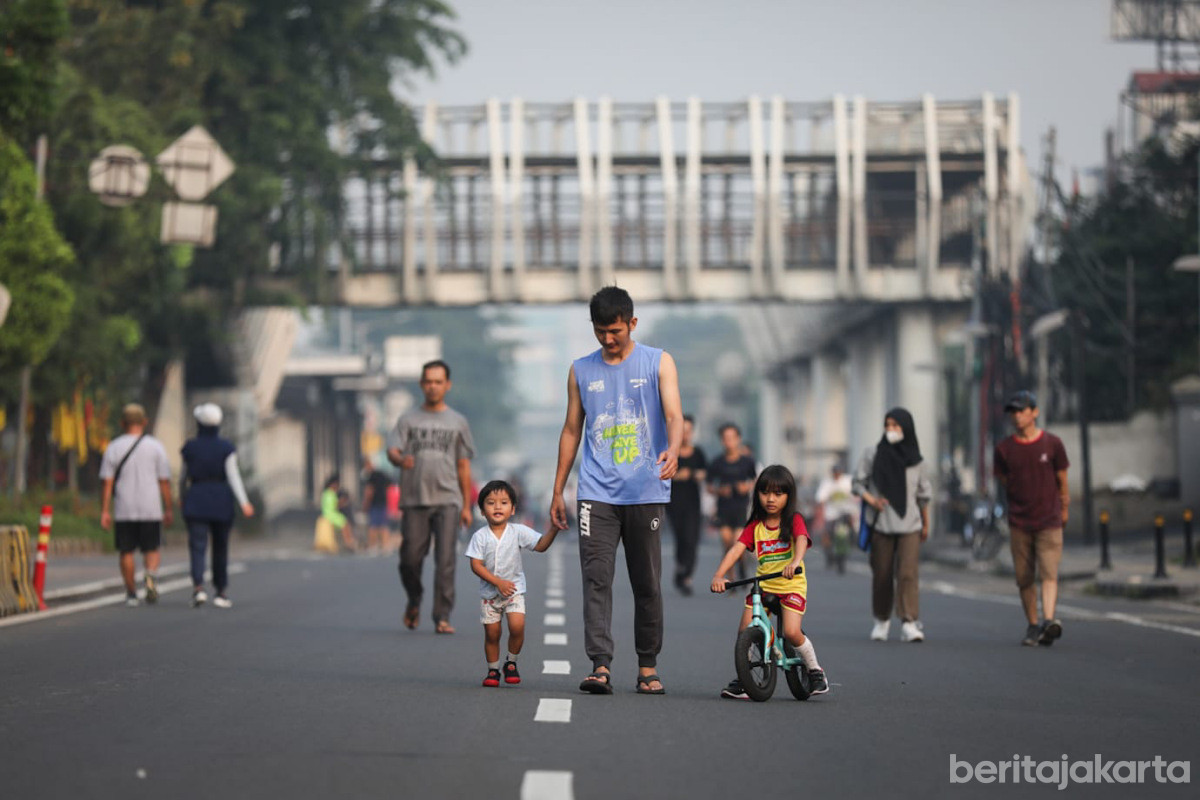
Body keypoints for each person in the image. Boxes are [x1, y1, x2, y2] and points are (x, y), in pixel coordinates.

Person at [549, 286, 683, 696]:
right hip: (596, 492)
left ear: (632, 324)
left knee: (647, 582)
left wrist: (674, 449)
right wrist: (559, 490)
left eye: (615, 331)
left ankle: (647, 665)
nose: (608, 339)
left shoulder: (658, 362)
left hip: (646, 490)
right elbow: (572, 429)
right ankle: (600, 665)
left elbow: (674, 414)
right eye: (600, 331)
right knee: (596, 579)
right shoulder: (580, 370)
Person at [710, 465, 829, 699]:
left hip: (790, 584)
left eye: (778, 494)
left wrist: (795, 562)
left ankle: (815, 671)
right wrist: (719, 575)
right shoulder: (755, 526)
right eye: (765, 493)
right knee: (744, 630)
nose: (771, 499)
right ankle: (745, 679)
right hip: (763, 585)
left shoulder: (794, 520)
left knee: (792, 632)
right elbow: (736, 550)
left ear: (788, 496)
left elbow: (802, 540)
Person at [388, 359, 476, 634]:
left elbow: (463, 464)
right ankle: (414, 598)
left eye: (438, 382)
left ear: (447, 385)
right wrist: (400, 460)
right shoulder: (408, 420)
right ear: (421, 384)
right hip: (415, 500)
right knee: (410, 559)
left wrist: (466, 504)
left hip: (448, 499)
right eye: (428, 381)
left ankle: (442, 615)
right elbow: (393, 450)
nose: (433, 387)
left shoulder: (458, 422)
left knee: (446, 560)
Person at [465, 480, 565, 687]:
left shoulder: (518, 531)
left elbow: (540, 546)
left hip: (514, 591)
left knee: (517, 626)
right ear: (482, 510)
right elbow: (476, 565)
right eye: (491, 503)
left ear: (512, 509)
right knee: (492, 634)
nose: (497, 507)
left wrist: (553, 530)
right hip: (489, 595)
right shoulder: (479, 536)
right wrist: (497, 582)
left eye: (503, 502)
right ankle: (493, 670)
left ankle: (511, 662)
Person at [994, 390, 1070, 647]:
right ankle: (1033, 625)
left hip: (1049, 519)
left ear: (1034, 412)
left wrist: (1064, 508)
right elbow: (1004, 481)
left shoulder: (1052, 444)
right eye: (1013, 412)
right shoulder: (1004, 449)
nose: (1017, 416)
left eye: (1021, 410)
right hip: (1019, 522)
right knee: (1024, 577)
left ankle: (1049, 620)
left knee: (1049, 573)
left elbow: (1062, 480)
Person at [853, 407, 932, 643]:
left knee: (908, 574)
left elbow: (923, 496)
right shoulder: (873, 454)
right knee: (882, 574)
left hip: (910, 525)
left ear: (906, 429)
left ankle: (909, 622)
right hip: (881, 524)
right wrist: (872, 501)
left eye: (896, 426)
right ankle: (881, 619)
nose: (891, 430)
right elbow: (858, 483)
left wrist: (926, 524)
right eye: (887, 425)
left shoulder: (917, 461)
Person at [180, 403, 255, 608]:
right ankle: (221, 591)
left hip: (196, 497)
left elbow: (183, 477)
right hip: (221, 500)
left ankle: (198, 588)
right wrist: (244, 502)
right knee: (220, 547)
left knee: (197, 546)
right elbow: (233, 476)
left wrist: (181, 497)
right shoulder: (226, 448)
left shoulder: (190, 447)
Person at [99, 403, 173, 607]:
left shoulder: (113, 447)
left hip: (124, 508)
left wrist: (105, 511)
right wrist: (168, 508)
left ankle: (131, 593)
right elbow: (164, 480)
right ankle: (150, 574)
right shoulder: (156, 446)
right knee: (152, 547)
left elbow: (107, 482)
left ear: (122, 423)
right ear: (144, 422)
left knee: (126, 551)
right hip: (151, 507)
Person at [706, 423, 757, 580]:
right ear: (722, 441)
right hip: (724, 507)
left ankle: (741, 565)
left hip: (741, 507)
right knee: (727, 543)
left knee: (737, 542)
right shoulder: (717, 462)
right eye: (725, 438)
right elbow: (708, 486)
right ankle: (730, 578)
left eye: (732, 438)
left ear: (738, 439)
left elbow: (755, 479)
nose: (729, 442)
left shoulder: (747, 461)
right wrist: (719, 491)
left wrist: (746, 486)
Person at [666, 414, 706, 596]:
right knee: (681, 538)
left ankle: (687, 576)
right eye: (682, 431)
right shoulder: (668, 452)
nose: (685, 435)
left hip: (693, 504)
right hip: (673, 503)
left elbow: (707, 473)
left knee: (692, 539)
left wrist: (697, 475)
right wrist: (678, 475)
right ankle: (680, 567)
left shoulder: (698, 453)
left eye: (688, 431)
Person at [815, 463, 858, 574]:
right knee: (827, 534)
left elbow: (856, 494)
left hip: (846, 512)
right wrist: (822, 503)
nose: (837, 475)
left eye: (838, 473)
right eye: (835, 473)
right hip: (831, 514)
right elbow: (820, 497)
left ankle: (850, 542)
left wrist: (856, 498)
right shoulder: (827, 482)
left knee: (851, 530)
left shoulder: (848, 481)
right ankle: (829, 553)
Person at [316, 474, 356, 553]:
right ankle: (348, 542)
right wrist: (343, 502)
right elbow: (334, 505)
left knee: (344, 522)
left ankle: (347, 541)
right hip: (330, 514)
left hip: (329, 513)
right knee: (345, 523)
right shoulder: (330, 493)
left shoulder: (326, 493)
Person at [362, 457, 395, 552]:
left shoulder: (371, 476)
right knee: (384, 525)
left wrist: (365, 504)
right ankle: (386, 546)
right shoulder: (382, 474)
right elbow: (391, 485)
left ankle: (373, 546)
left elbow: (369, 491)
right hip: (384, 502)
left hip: (374, 503)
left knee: (373, 525)